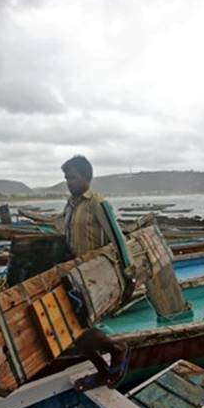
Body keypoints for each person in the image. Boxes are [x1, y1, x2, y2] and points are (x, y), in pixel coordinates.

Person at [61, 155, 130, 390]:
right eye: (66, 177)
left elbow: (118, 240)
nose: (68, 182)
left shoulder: (97, 203)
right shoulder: (70, 204)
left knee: (80, 326)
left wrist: (127, 276)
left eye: (72, 177)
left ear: (86, 177)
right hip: (74, 274)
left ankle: (117, 350)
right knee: (75, 329)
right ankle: (104, 370)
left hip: (94, 275)